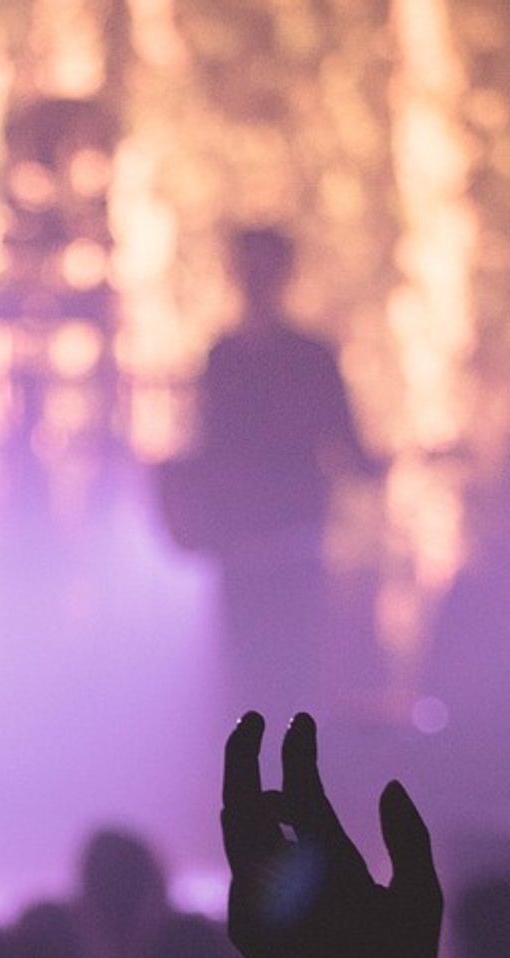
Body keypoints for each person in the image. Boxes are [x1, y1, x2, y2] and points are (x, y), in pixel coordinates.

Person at [191, 227, 378, 714]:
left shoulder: (298, 358)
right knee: (256, 685)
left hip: (286, 546)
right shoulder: (228, 358)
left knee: (280, 684)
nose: (256, 279)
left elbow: (348, 448)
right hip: (252, 547)